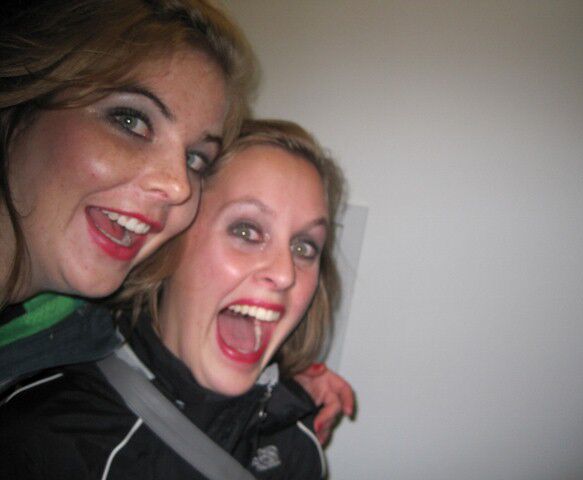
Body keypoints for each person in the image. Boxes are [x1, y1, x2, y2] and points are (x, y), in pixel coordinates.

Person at [0, 0, 351, 437]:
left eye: (195, 159)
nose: (178, 186)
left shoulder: (78, 333)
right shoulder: (50, 419)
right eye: (131, 120)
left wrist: (282, 394)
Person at [0, 119, 347, 478]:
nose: (286, 273)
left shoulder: (297, 446)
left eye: (304, 247)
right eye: (246, 230)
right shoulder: (47, 440)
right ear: (173, 240)